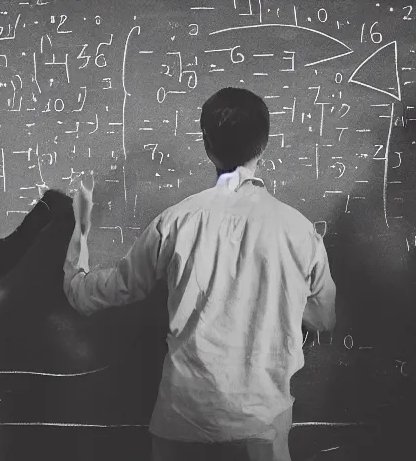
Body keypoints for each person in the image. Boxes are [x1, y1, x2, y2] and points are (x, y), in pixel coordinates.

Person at [63, 87, 336, 461]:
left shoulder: (175, 222)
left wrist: (78, 234)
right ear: (265, 144)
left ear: (207, 144)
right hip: (261, 429)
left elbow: (95, 293)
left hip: (183, 425)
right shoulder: (300, 232)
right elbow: (322, 318)